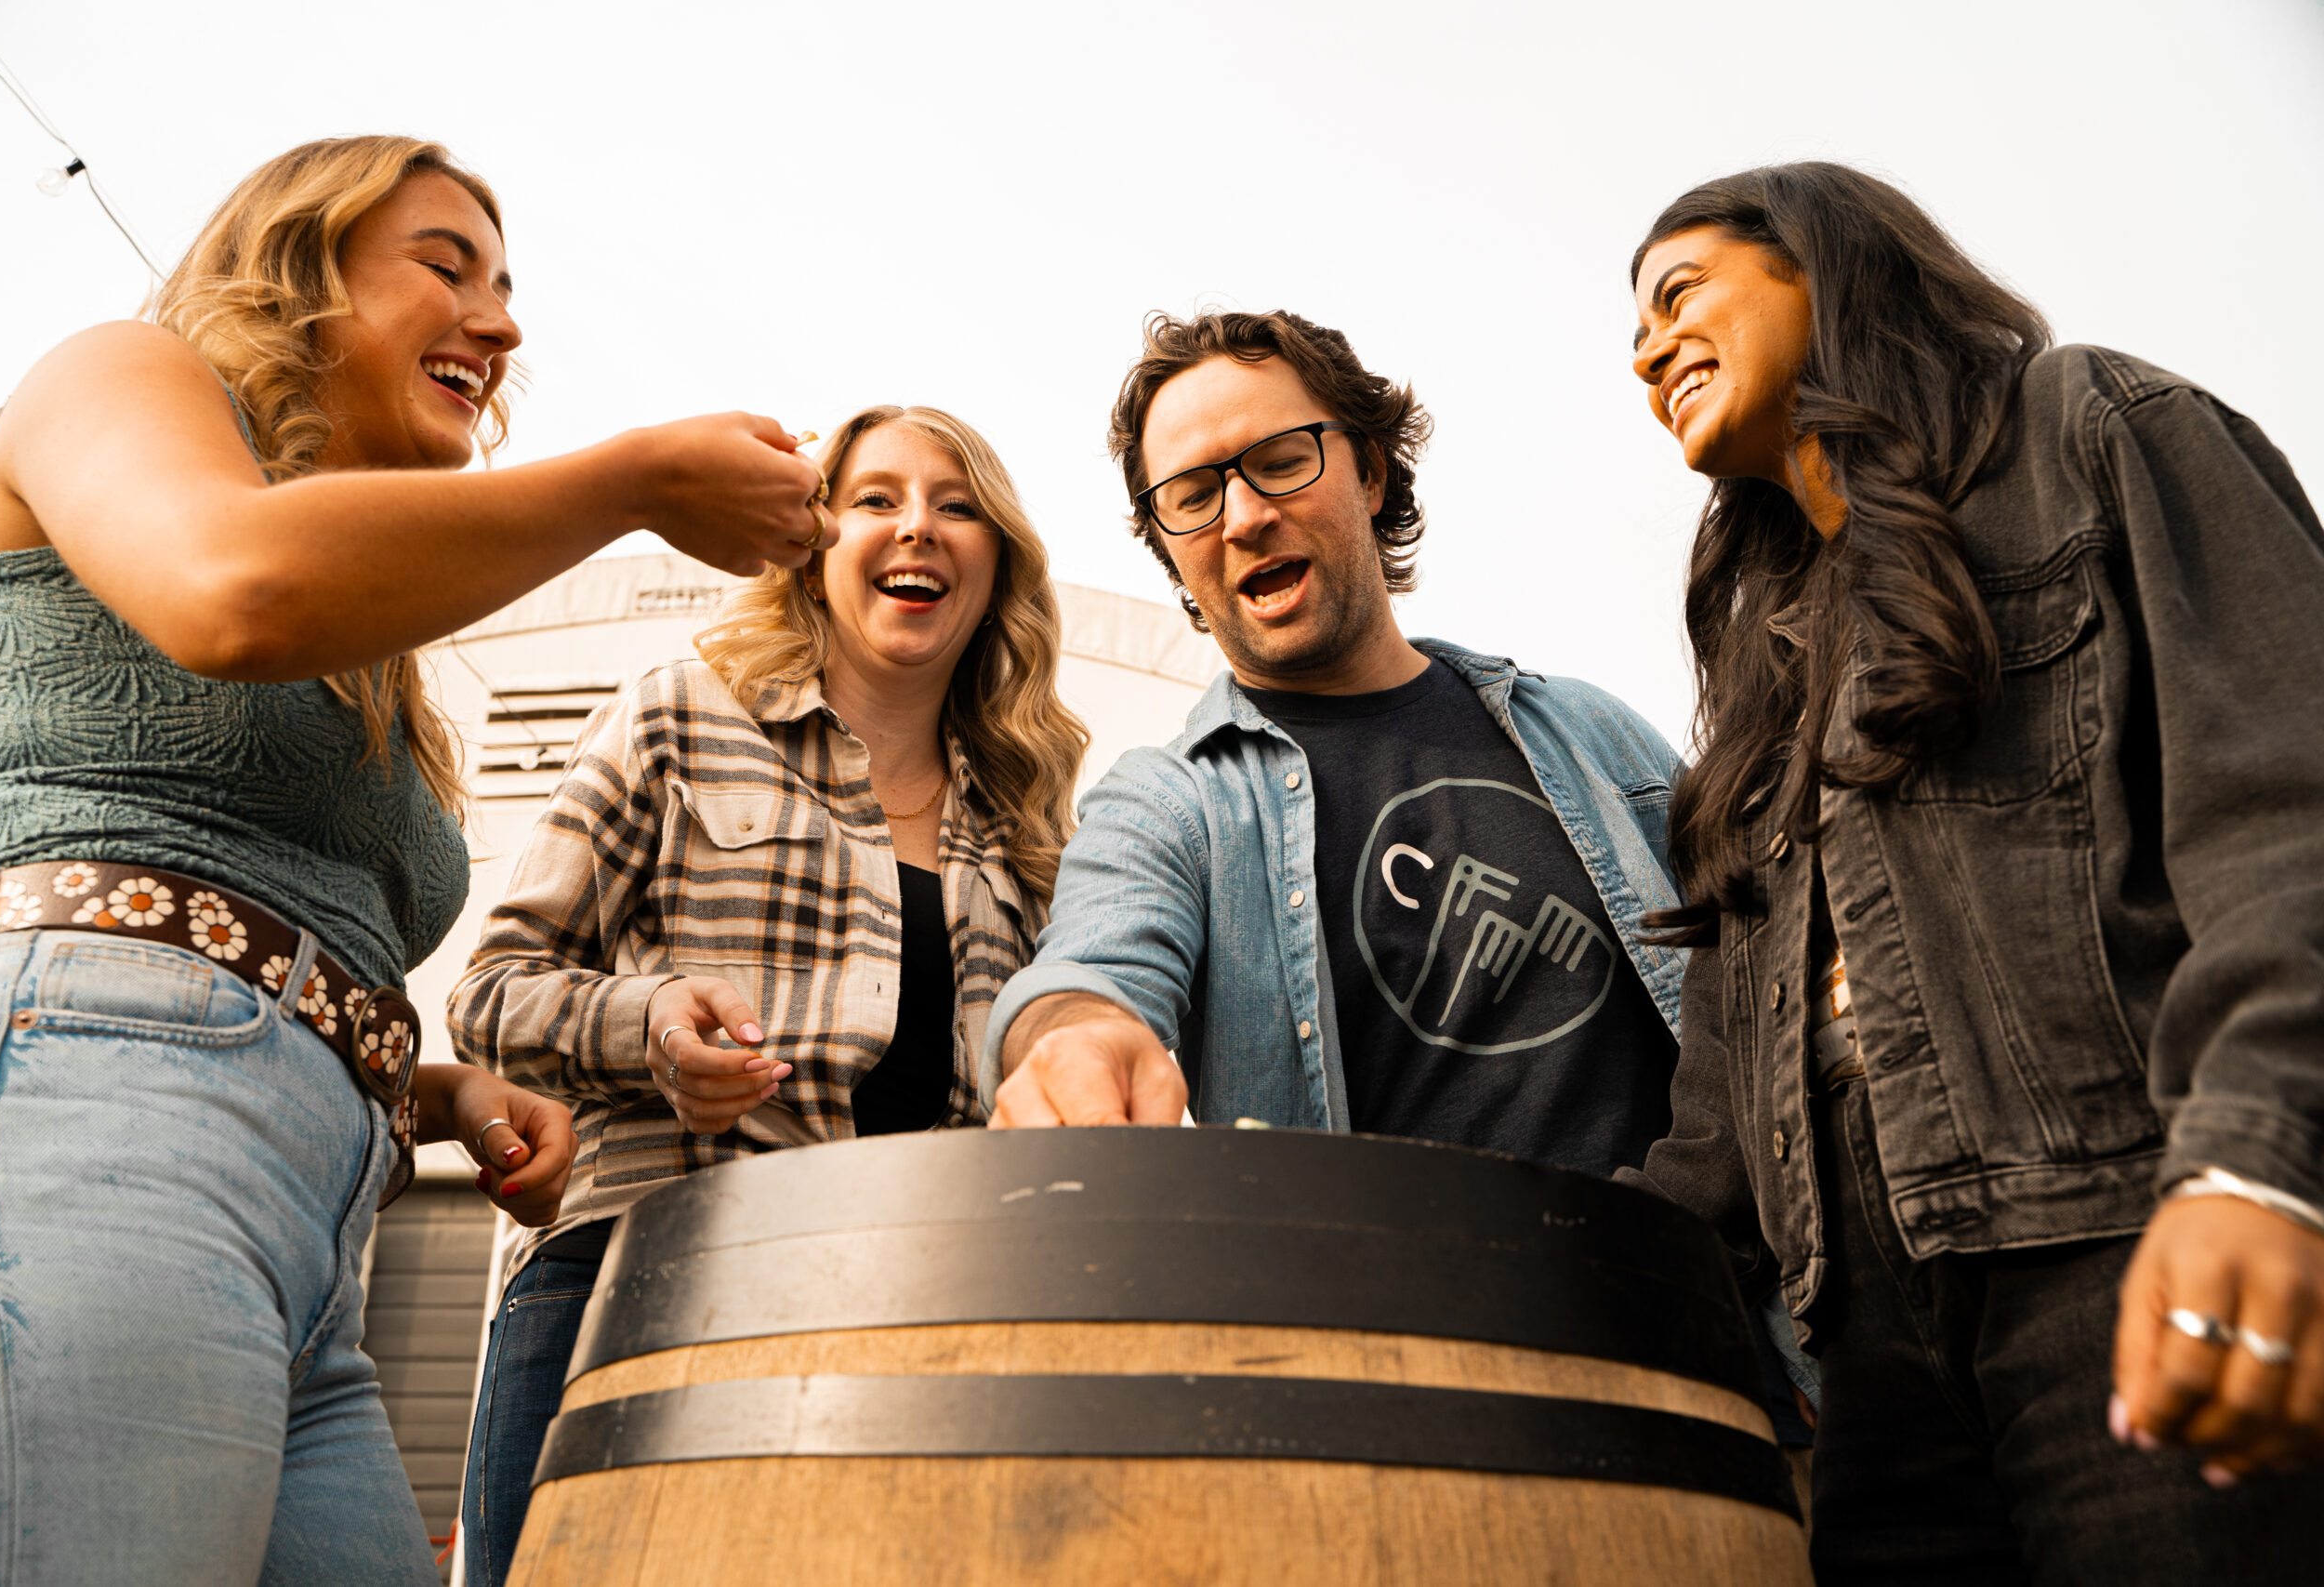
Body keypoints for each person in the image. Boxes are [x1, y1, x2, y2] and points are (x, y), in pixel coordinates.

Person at [0, 136, 828, 1586]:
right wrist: (630, 482)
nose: (502, 321)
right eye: (444, 266)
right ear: (294, 272)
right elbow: (234, 589)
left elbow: (246, 949)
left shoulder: (385, 628)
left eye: (507, 285)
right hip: (92, 1138)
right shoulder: (115, 372)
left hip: (316, 1248)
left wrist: (437, 1088)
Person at [1626, 161, 2324, 1581]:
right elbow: (1709, 1146)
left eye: (1678, 290)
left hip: (2125, 1246)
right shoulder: (1757, 688)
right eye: (1630, 340)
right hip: (1871, 1356)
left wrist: (2260, 1167)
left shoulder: (2096, 426)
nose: (1646, 349)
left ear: (1825, 261)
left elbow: (2286, 808)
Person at [447, 403, 1086, 1586]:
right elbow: (492, 994)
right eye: (879, 499)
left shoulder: (1026, 820)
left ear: (997, 564)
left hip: (901, 1329)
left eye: (957, 507)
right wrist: (650, 1026)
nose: (918, 530)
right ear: (814, 541)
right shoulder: (682, 715)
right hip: (639, 1281)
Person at [985, 310, 1686, 1182]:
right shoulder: (1170, 804)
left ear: (1371, 474)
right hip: (1383, 1311)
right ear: (1168, 547)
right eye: (1194, 495)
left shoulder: (1595, 734)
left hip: (1691, 1304)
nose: (1242, 515)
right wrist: (1075, 1034)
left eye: (1281, 461)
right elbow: (1091, 969)